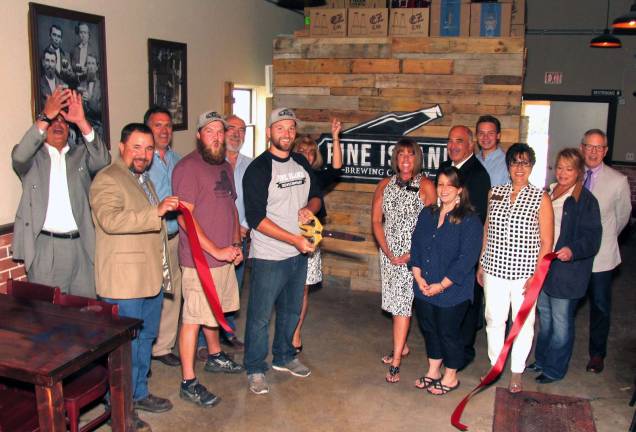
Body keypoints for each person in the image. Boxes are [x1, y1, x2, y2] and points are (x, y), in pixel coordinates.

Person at [90, 123, 176, 431]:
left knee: (145, 341)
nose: (144, 154)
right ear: (122, 147)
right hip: (124, 283)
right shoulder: (107, 178)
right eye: (137, 147)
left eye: (149, 148)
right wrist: (155, 213)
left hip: (148, 279)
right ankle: (120, 408)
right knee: (124, 350)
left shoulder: (143, 180)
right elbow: (110, 220)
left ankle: (138, 393)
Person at [243, 108, 322, 395]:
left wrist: (308, 210)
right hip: (269, 255)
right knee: (260, 316)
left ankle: (284, 356)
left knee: (290, 311)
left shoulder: (301, 161)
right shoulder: (259, 169)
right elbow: (256, 219)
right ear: (269, 132)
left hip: (297, 254)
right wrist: (293, 239)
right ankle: (254, 368)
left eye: (291, 128)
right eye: (280, 128)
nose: (286, 133)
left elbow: (317, 196)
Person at [172, 111, 244, 407]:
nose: (217, 136)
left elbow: (231, 208)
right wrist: (215, 250)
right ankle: (188, 381)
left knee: (215, 312)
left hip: (225, 256)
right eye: (210, 131)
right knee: (193, 318)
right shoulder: (188, 168)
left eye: (220, 131)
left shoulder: (225, 165)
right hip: (200, 260)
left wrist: (237, 242)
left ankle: (215, 355)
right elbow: (185, 219)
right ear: (199, 135)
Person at [12, 87, 109, 297]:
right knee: (48, 317)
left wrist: (82, 121)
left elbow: (103, 160)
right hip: (46, 248)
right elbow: (19, 156)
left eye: (63, 121)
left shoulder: (81, 155)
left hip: (82, 246)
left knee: (86, 315)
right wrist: (45, 115)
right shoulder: (32, 159)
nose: (58, 124)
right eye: (52, 120)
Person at [478, 143, 554, 393]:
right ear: (508, 166)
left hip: (524, 274)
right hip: (494, 269)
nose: (519, 168)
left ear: (531, 166)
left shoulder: (540, 197)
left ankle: (517, 371)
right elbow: (487, 229)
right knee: (494, 319)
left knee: (522, 323)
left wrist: (537, 275)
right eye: (514, 162)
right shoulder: (495, 192)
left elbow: (547, 241)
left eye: (524, 163)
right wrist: (481, 262)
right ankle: (494, 366)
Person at [530, 148, 602, 383]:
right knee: (545, 318)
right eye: (559, 167)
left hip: (568, 273)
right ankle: (541, 360)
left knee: (561, 322)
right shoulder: (548, 192)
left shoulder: (586, 201)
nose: (562, 173)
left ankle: (554, 369)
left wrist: (572, 250)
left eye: (569, 169)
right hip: (544, 268)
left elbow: (592, 238)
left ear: (579, 172)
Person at [411, 166, 482, 395]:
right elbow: (417, 246)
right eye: (440, 184)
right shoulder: (427, 214)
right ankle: (433, 370)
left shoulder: (470, 220)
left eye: (449, 185)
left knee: (448, 332)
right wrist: (418, 275)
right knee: (430, 329)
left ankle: (450, 376)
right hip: (423, 285)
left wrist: (442, 285)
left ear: (459, 189)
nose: (443, 190)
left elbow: (467, 259)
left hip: (452, 291)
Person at [372, 137, 436, 383]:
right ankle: (403, 346)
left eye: (410, 154)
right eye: (401, 155)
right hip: (389, 254)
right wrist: (387, 250)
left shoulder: (426, 185)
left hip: (414, 256)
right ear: (395, 159)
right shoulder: (385, 184)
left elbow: (432, 224)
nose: (406, 159)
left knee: (401, 307)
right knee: (397, 305)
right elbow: (377, 220)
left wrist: (413, 253)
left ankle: (397, 360)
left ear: (417, 158)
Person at [438, 125, 491, 370]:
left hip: (465, 248)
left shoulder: (478, 175)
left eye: (459, 141)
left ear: (471, 145)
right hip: (445, 246)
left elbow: (476, 219)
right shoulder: (446, 170)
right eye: (450, 140)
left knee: (467, 302)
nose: (453, 145)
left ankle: (464, 352)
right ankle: (449, 347)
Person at [579, 129, 632, 374]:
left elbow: (622, 218)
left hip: (602, 257)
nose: (593, 151)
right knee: (565, 307)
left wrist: (606, 238)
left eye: (599, 147)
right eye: (589, 146)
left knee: (600, 306)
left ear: (606, 151)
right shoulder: (572, 174)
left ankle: (597, 354)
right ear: (582, 148)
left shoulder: (618, 181)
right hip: (573, 256)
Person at [291, 118, 343, 353]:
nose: (306, 155)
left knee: (302, 288)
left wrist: (335, 137)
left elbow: (337, 169)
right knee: (284, 287)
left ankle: (295, 332)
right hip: (285, 236)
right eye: (301, 150)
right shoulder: (286, 176)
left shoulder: (318, 176)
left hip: (310, 237)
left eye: (311, 152)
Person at [144, 107, 182, 368]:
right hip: (149, 238)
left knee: (173, 293)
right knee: (148, 293)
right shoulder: (140, 161)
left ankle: (163, 346)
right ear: (148, 128)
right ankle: (143, 346)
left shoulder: (178, 160)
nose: (164, 130)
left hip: (175, 237)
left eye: (168, 125)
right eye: (158, 125)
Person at [475, 115, 510, 187]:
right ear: (476, 136)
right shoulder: (472, 161)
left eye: (490, 133)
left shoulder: (507, 163)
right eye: (481, 133)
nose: (485, 137)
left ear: (498, 136)